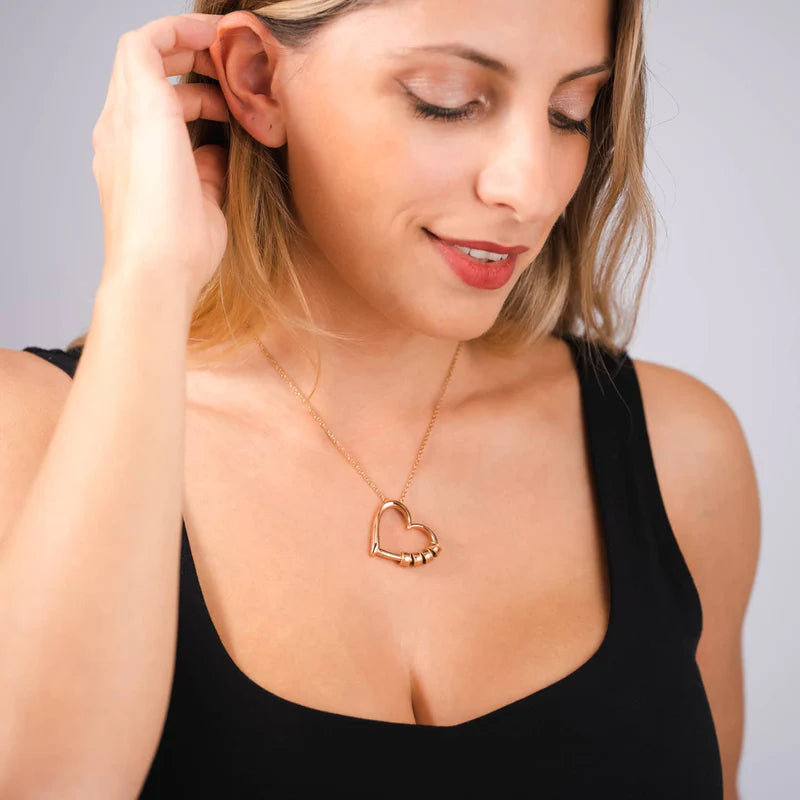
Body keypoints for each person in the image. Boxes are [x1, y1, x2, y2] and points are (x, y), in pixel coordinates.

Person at [0, 1, 760, 797]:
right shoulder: (31, 437)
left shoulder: (679, 453)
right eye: (447, 100)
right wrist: (149, 278)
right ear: (257, 80)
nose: (530, 188)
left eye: (571, 111)